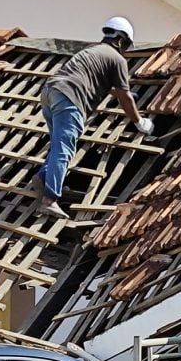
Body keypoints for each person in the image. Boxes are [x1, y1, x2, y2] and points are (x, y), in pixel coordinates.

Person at [35, 16, 155, 219]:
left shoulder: (92, 51)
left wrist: (126, 95)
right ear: (121, 40)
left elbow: (110, 88)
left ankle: (43, 178)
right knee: (64, 150)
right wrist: (139, 122)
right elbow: (124, 96)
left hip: (50, 91)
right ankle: (50, 200)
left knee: (58, 145)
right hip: (69, 99)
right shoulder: (117, 59)